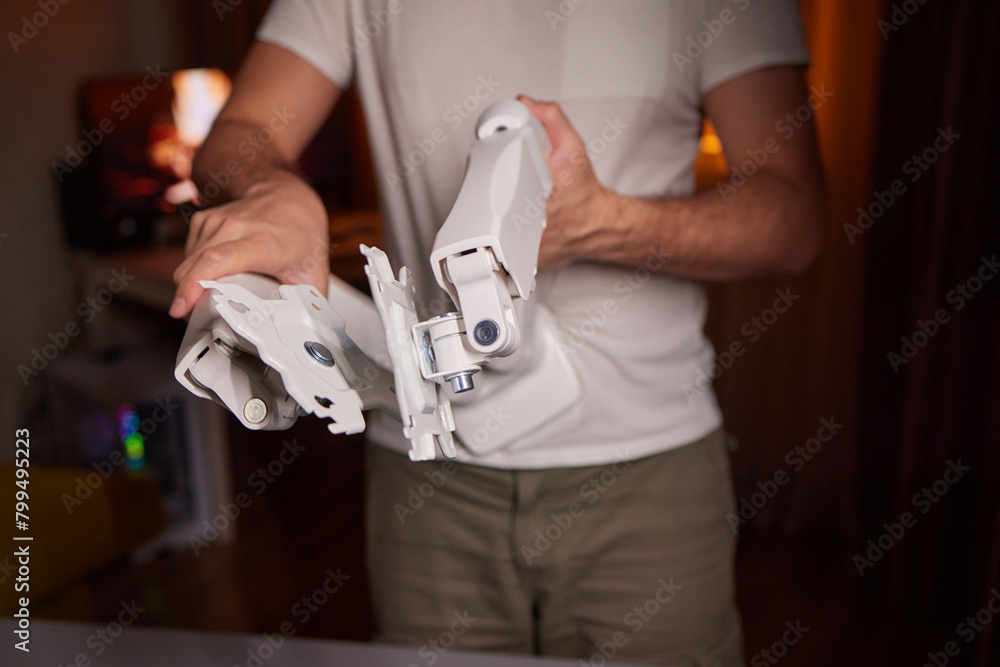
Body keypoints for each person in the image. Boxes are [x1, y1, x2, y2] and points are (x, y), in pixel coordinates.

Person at [171, 1, 826, 664]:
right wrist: (270, 190)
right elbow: (244, 131)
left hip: (646, 471)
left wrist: (609, 223)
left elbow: (795, 218)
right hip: (428, 469)